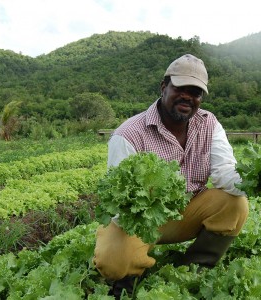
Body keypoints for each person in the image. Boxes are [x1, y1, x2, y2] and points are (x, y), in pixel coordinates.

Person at [93, 54, 249, 298]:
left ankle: (194, 267)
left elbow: (223, 173)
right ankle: (128, 278)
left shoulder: (209, 125)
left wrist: (254, 179)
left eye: (195, 92)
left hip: (187, 212)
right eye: (180, 88)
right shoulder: (129, 134)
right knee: (113, 262)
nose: (188, 96)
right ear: (164, 87)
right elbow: (119, 202)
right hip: (140, 222)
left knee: (235, 203)